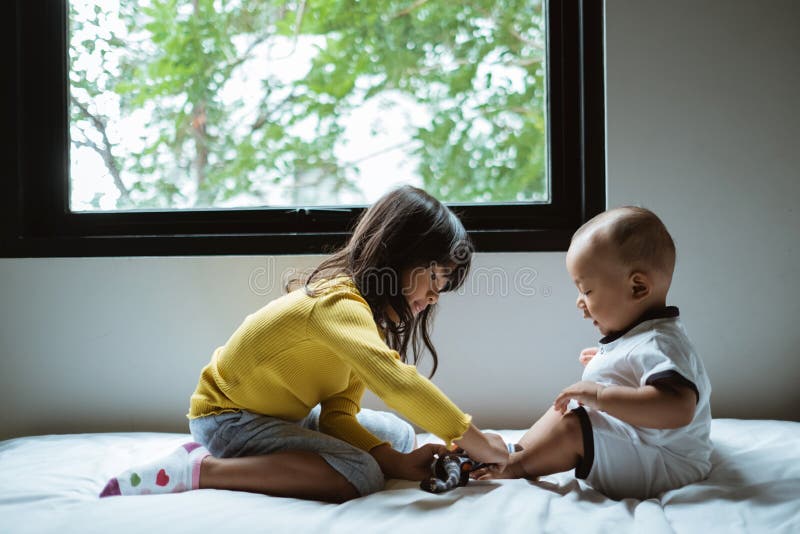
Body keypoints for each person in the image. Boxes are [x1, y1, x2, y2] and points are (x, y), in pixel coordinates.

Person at [99, 185, 509, 503]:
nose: (437, 296)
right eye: (436, 277)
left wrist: (399, 463)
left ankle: (259, 460)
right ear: (398, 256)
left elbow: (338, 416)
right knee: (361, 475)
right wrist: (474, 438)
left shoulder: (364, 320)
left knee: (398, 435)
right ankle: (200, 469)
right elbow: (398, 384)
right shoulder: (337, 305)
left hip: (280, 416)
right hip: (228, 417)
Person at [474, 206, 712, 500]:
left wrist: (601, 394)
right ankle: (519, 451)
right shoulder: (641, 336)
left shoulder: (660, 342)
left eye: (586, 291)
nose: (579, 302)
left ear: (638, 287)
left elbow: (678, 407)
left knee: (576, 427)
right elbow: (638, 374)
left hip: (666, 462)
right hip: (646, 444)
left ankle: (517, 466)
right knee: (571, 403)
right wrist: (609, 365)